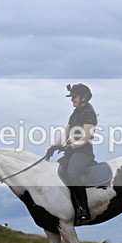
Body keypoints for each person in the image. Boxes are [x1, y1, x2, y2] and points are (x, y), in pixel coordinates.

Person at [46, 83, 98, 222]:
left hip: (83, 153)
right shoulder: (74, 114)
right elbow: (65, 135)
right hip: (72, 153)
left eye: (74, 96)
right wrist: (54, 147)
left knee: (72, 174)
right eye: (72, 96)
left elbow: (87, 137)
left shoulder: (88, 113)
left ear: (84, 97)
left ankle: (84, 209)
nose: (71, 99)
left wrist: (72, 146)